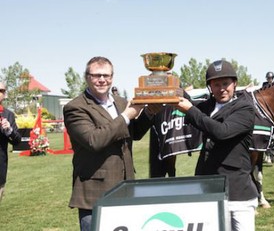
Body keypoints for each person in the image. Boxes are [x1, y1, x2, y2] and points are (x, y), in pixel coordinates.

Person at [63, 56, 161, 231]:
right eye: (96, 75)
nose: (102, 80)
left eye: (106, 75)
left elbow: (134, 132)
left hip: (125, 188)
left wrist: (149, 113)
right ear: (87, 77)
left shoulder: (121, 102)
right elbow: (94, 140)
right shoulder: (75, 107)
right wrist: (126, 116)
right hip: (95, 192)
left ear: (112, 78)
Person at [173, 60, 258, 231]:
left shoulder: (245, 108)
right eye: (216, 84)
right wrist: (168, 83)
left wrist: (190, 110)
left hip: (237, 192)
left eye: (226, 83)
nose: (222, 88)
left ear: (235, 84)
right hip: (208, 189)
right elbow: (190, 103)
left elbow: (222, 132)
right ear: (210, 87)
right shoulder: (207, 106)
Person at [0, 82, 21, 203]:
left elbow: (17, 141)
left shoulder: (8, 115)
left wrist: (9, 130)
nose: (0, 93)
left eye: (2, 90)